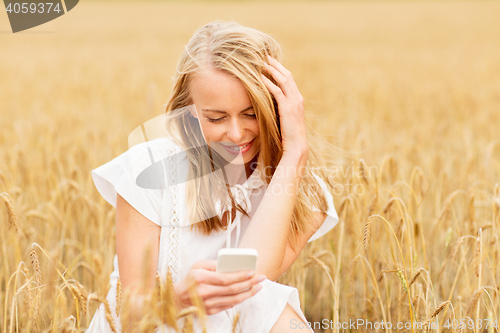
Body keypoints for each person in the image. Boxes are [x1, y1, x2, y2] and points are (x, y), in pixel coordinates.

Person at [87, 20, 339, 333]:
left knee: (269, 302)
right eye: (216, 117)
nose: (235, 134)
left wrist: (295, 155)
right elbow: (128, 315)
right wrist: (179, 299)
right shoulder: (148, 169)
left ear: (277, 107)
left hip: (232, 321)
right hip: (150, 326)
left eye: (251, 114)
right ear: (190, 111)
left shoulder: (305, 193)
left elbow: (250, 281)